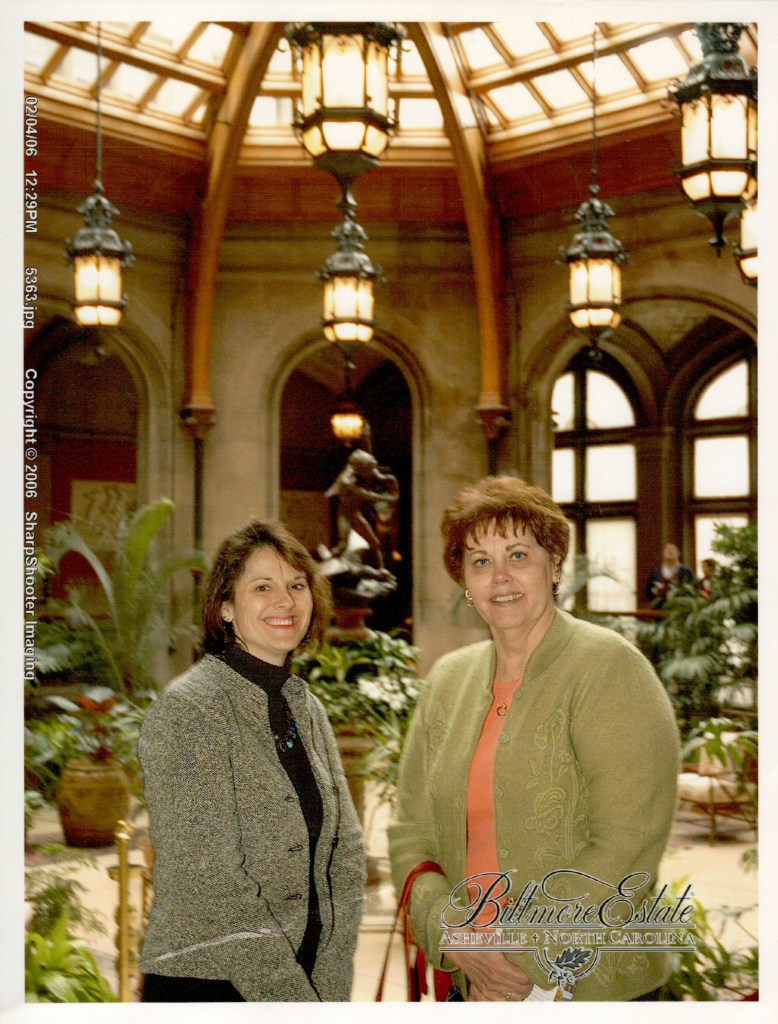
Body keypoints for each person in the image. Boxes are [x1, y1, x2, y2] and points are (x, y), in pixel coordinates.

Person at [388, 477, 680, 1001]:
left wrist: (514, 957)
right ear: (465, 581)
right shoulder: (447, 680)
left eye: (518, 555)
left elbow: (627, 840)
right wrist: (459, 940)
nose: (500, 577)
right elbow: (412, 834)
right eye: (480, 561)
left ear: (554, 565)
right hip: (471, 975)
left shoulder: (610, 668)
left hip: (586, 984)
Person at [138, 519, 366, 1002]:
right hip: (208, 984)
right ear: (225, 607)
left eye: (297, 585)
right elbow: (209, 883)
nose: (286, 602)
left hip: (308, 983)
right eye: (263, 587)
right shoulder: (188, 709)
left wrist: (329, 985)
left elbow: (346, 854)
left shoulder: (305, 706)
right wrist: (295, 1002)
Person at [645, 542, 695, 607]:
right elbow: (648, 591)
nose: (670, 551)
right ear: (663, 553)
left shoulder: (686, 571)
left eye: (673, 549)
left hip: (680, 608)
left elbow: (692, 590)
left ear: (678, 553)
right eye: (667, 549)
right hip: (659, 608)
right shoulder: (656, 572)